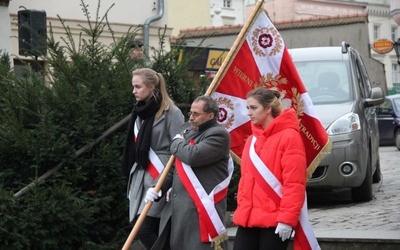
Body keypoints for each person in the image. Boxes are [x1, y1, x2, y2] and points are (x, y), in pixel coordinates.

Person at [146, 95, 233, 250]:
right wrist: (157, 188)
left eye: (196, 114)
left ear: (210, 115)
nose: (191, 117)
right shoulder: (189, 132)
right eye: (191, 113)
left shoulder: (218, 134)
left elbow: (192, 156)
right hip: (177, 210)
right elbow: (174, 168)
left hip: (199, 211)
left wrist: (176, 141)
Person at [233, 87, 314, 250]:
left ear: (268, 108)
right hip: (248, 218)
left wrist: (286, 219)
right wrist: (242, 207)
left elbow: (294, 183)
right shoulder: (251, 140)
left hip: (275, 220)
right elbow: (245, 180)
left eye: (253, 108)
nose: (249, 113)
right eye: (248, 108)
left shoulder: (289, 137)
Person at [122, 68, 184, 250]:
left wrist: (167, 181)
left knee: (145, 230)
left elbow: (178, 149)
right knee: (149, 228)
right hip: (140, 174)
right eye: (133, 86)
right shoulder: (139, 111)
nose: (134, 91)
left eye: (138, 86)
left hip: (160, 175)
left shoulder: (172, 112)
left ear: (151, 87)